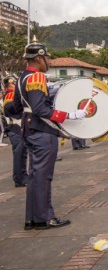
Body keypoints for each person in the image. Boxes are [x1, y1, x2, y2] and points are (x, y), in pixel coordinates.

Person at [6, 43, 85, 230]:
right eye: (47, 58)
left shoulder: (21, 78)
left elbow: (15, 108)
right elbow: (40, 109)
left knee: (34, 175)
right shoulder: (36, 77)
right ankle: (44, 218)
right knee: (43, 176)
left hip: (28, 128)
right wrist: (69, 115)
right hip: (42, 131)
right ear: (38, 58)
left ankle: (32, 218)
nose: (48, 61)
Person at [2, 75, 28, 187]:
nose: (15, 85)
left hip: (20, 127)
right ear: (9, 85)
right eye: (13, 83)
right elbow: (10, 108)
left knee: (22, 154)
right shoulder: (10, 94)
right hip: (15, 127)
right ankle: (19, 179)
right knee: (19, 154)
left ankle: (22, 176)